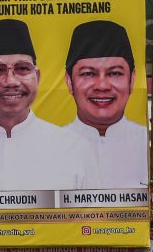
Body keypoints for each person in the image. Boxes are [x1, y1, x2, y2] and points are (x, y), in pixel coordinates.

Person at [0, 18, 98, 191]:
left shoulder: (75, 147)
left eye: (22, 69)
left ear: (38, 77)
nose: (11, 81)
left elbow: (93, 215)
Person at [60, 20, 147, 188]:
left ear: (132, 80)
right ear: (69, 81)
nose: (102, 86)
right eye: (88, 73)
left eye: (114, 73)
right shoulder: (49, 148)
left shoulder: (146, 143)